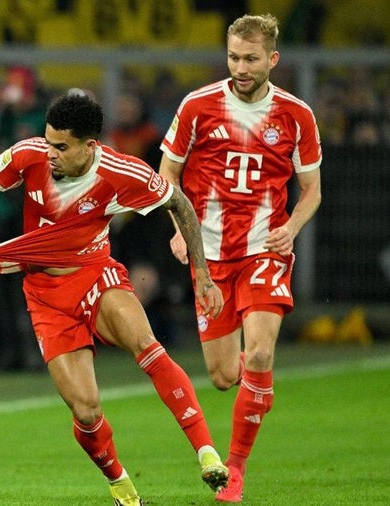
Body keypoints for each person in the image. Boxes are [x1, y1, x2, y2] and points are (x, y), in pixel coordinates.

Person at [0, 91, 230, 505]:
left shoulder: (122, 172)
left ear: (89, 146)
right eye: (48, 141)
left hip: (95, 274)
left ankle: (207, 453)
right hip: (45, 295)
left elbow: (180, 205)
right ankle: (121, 485)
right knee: (86, 411)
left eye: (61, 147)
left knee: (147, 346)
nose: (50, 153)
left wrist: (203, 276)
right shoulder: (28, 155)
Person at [157, 14, 322, 503]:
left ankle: (235, 469)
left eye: (251, 59)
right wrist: (179, 231)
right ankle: (257, 383)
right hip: (208, 256)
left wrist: (290, 229)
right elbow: (167, 175)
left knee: (261, 352)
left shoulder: (296, 115)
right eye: (233, 57)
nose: (241, 67)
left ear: (273, 59)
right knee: (224, 377)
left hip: (264, 249)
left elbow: (312, 190)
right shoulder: (197, 106)